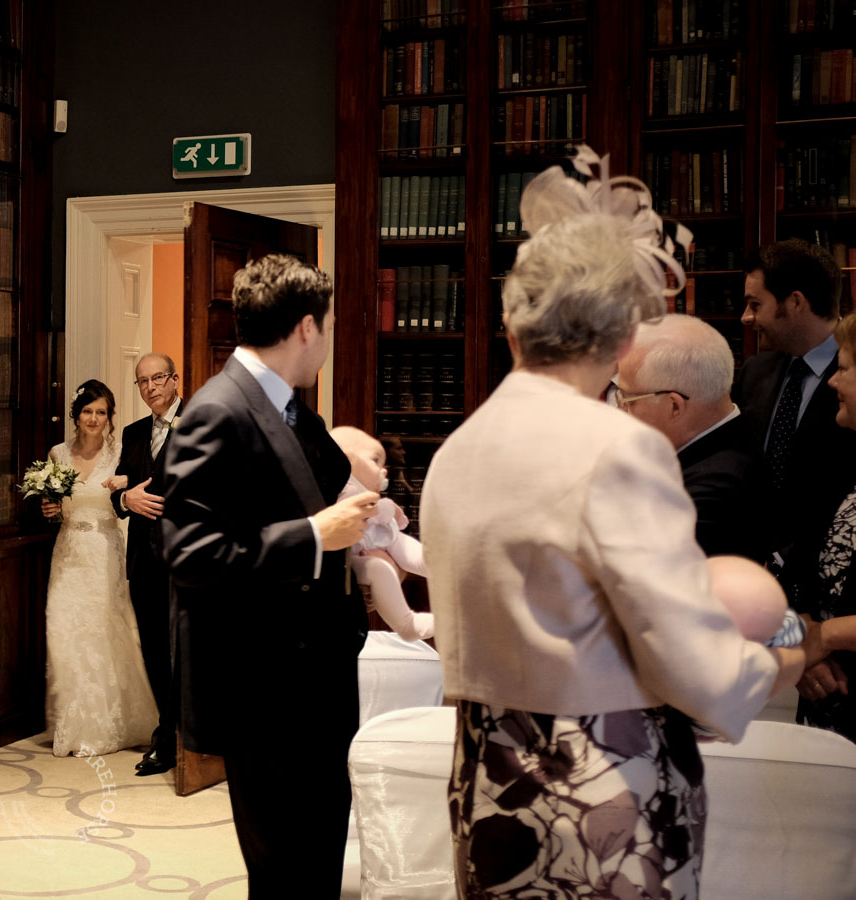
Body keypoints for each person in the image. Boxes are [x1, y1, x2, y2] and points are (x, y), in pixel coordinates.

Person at [420, 147, 805, 898]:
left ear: (511, 326)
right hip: (598, 792)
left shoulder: (458, 451)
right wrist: (774, 663)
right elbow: (690, 662)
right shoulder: (620, 447)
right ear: (625, 339)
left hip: (487, 784)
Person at [158, 253, 380, 896]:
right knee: (285, 874)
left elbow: (318, 479)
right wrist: (313, 536)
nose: (330, 341)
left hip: (311, 682)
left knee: (315, 865)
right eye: (329, 327)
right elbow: (190, 553)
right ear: (307, 327)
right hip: (265, 690)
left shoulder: (289, 409)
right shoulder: (217, 410)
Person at [38, 379, 157, 757]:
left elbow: (135, 493)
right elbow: (54, 505)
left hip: (105, 553)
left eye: (101, 412)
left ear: (110, 417)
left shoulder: (122, 453)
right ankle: (74, 724)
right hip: (68, 553)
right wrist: (49, 508)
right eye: (87, 411)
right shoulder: (57, 454)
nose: (94, 418)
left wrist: (127, 484)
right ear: (76, 415)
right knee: (63, 632)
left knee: (105, 634)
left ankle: (108, 726)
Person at [735, 239, 856, 562]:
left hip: (824, 569)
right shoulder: (754, 372)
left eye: (755, 304)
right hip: (750, 563)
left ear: (795, 302)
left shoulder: (852, 380)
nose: (746, 317)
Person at [615, 313, 770, 560]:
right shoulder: (735, 429)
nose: (621, 410)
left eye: (628, 399)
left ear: (674, 406)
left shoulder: (708, 495)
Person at [108, 352, 181, 776]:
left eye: (157, 378)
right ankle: (167, 732)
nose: (150, 387)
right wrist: (126, 498)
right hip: (144, 561)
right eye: (142, 381)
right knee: (154, 650)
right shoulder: (134, 433)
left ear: (174, 380)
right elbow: (118, 490)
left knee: (183, 652)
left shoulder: (201, 426)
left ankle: (175, 737)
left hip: (187, 560)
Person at [785, 312, 856, 743]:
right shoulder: (842, 455)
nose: (832, 381)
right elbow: (805, 559)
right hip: (828, 712)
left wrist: (825, 637)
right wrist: (802, 635)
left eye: (844, 369)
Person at [331, 426, 433, 642]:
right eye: (375, 461)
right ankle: (407, 624)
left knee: (408, 547)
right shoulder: (344, 488)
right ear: (347, 461)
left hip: (378, 542)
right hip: (356, 556)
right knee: (378, 568)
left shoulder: (365, 492)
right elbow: (354, 513)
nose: (384, 470)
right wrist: (386, 508)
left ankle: (443, 568)